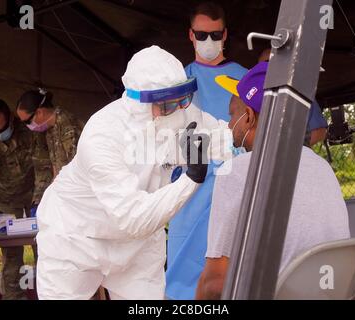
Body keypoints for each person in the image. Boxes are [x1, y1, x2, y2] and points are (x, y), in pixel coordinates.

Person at [36, 45, 232, 300]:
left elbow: (229, 137)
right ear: (139, 102)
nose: (180, 110)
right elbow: (133, 218)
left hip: (137, 247)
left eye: (184, 98)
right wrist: (190, 180)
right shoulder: (102, 136)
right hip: (75, 237)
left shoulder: (181, 113)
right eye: (168, 104)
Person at [195, 62, 351, 299]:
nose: (228, 124)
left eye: (232, 114)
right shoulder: (323, 168)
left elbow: (215, 284)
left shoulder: (237, 171)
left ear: (248, 117)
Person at [166, 1, 248, 300]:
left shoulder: (246, 79)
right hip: (190, 189)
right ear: (190, 35)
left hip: (236, 186)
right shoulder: (177, 82)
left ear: (225, 34)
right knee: (183, 280)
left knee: (235, 274)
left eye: (215, 35)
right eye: (201, 35)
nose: (208, 42)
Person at [0, 99, 51, 299]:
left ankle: (48, 294)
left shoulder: (30, 133)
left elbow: (43, 166)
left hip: (33, 196)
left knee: (44, 250)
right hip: (4, 202)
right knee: (12, 256)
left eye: (1, 128)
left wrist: (39, 199)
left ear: (10, 119)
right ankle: (14, 297)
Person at [258, 48, 328, 146]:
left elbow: (319, 131)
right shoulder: (252, 95)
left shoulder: (300, 93)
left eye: (272, 62)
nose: (267, 68)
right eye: (263, 65)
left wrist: (289, 149)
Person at [16, 90, 84, 180]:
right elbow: (56, 164)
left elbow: (77, 169)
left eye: (27, 121)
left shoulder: (68, 126)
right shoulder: (50, 128)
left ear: (39, 113)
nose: (27, 125)